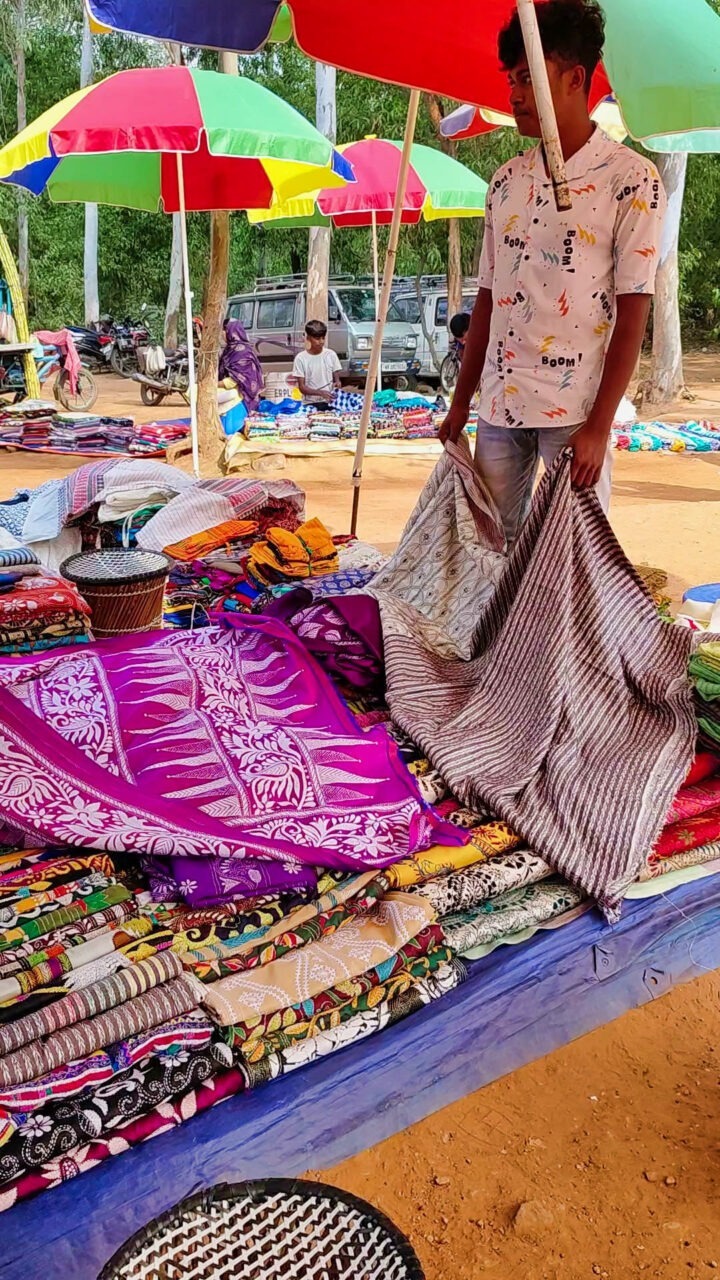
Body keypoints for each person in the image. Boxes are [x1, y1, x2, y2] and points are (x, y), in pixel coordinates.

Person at [440, 0, 666, 547]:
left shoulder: (632, 180)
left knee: (577, 558)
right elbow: (487, 302)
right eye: (511, 79)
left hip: (575, 414)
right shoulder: (505, 182)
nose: (514, 94)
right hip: (500, 403)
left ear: (574, 77)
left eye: (527, 78)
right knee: (489, 550)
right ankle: (496, 638)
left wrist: (600, 426)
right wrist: (461, 402)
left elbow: (635, 311)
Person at [293, 320, 342, 405]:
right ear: (308, 338)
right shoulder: (301, 358)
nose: (321, 341)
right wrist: (321, 393)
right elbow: (302, 387)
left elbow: (337, 379)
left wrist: (337, 383)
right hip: (309, 403)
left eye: (323, 338)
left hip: (330, 402)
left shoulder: (331, 354)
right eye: (317, 338)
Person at [219, 319, 264, 410]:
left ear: (230, 331)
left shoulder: (242, 352)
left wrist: (214, 384)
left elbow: (233, 381)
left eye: (224, 330)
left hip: (243, 395)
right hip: (229, 390)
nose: (222, 333)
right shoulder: (229, 349)